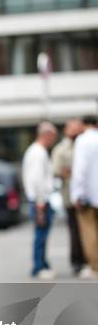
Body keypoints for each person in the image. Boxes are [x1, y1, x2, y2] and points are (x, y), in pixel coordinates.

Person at [22, 121, 58, 279]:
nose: (54, 140)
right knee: (41, 234)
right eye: (53, 137)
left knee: (41, 233)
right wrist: (40, 201)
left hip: (39, 199)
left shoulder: (36, 151)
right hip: (40, 200)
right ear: (47, 135)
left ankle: (42, 264)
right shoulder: (38, 153)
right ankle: (39, 266)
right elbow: (36, 180)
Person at [51, 119, 87, 277]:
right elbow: (56, 170)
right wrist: (71, 173)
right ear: (66, 131)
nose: (77, 132)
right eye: (74, 129)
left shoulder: (85, 145)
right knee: (75, 231)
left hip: (87, 196)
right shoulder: (61, 149)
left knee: (88, 231)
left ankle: (89, 260)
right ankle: (77, 262)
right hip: (70, 197)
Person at [70, 115, 98, 276]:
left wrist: (77, 194)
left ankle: (95, 266)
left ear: (83, 124)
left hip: (88, 195)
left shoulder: (82, 140)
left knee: (89, 232)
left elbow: (80, 170)